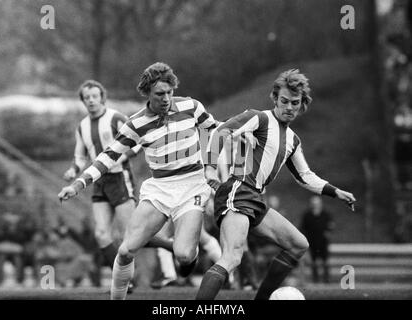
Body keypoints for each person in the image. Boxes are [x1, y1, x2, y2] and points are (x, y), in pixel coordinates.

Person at [58, 62, 218, 300]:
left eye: (169, 92)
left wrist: (212, 167)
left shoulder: (191, 106)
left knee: (184, 255)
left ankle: (187, 259)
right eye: (159, 94)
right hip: (159, 188)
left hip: (192, 185)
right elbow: (108, 156)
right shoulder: (136, 123)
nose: (166, 99)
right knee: (125, 250)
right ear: (147, 94)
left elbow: (214, 130)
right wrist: (78, 184)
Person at [196, 68, 356, 300]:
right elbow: (222, 131)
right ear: (275, 98)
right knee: (232, 256)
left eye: (295, 102)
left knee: (299, 244)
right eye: (284, 101)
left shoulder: (293, 139)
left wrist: (336, 192)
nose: (289, 107)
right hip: (237, 190)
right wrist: (210, 167)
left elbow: (305, 176)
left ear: (302, 104)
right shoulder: (259, 118)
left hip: (255, 198)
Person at [62, 80, 172, 284]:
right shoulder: (83, 126)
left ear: (102, 97)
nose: (92, 100)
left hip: (120, 178)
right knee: (102, 234)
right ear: (83, 101)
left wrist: (120, 157)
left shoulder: (115, 118)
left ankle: (170, 246)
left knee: (131, 234)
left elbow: (140, 143)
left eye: (95, 96)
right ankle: (122, 280)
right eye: (87, 97)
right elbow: (80, 156)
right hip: (99, 181)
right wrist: (72, 170)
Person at [300, 195, 334, 283]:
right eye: (313, 203)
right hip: (311, 242)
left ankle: (327, 279)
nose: (315, 205)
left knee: (325, 262)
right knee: (313, 262)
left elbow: (330, 226)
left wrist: (328, 232)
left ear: (320, 204)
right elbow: (303, 228)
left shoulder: (325, 214)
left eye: (317, 203)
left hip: (323, 242)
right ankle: (315, 279)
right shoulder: (307, 215)